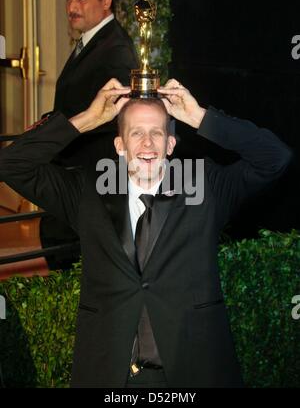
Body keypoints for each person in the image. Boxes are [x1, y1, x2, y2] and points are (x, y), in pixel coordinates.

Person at [0, 79, 292, 388]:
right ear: (120, 146)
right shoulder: (86, 192)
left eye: (157, 133)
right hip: (111, 372)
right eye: (136, 133)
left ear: (170, 144)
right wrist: (87, 120)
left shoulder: (205, 186)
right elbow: (11, 164)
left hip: (192, 369)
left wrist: (200, 117)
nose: (148, 144)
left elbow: (275, 157)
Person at [54, 0, 139, 165]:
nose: (72, 7)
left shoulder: (116, 49)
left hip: (90, 173)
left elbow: (114, 121)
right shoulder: (95, 39)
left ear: (106, 1)